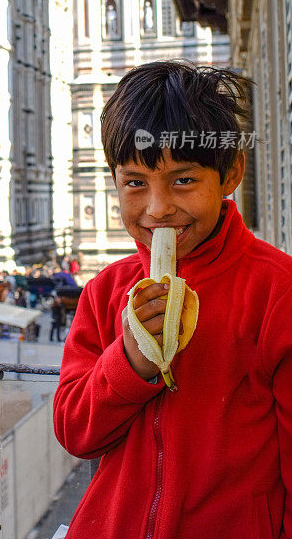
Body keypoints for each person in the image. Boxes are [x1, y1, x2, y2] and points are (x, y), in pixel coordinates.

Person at [53, 60, 292, 538]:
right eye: (135, 182)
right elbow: (76, 431)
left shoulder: (276, 292)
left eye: (183, 180)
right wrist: (130, 363)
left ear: (230, 175)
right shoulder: (105, 292)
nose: (158, 208)